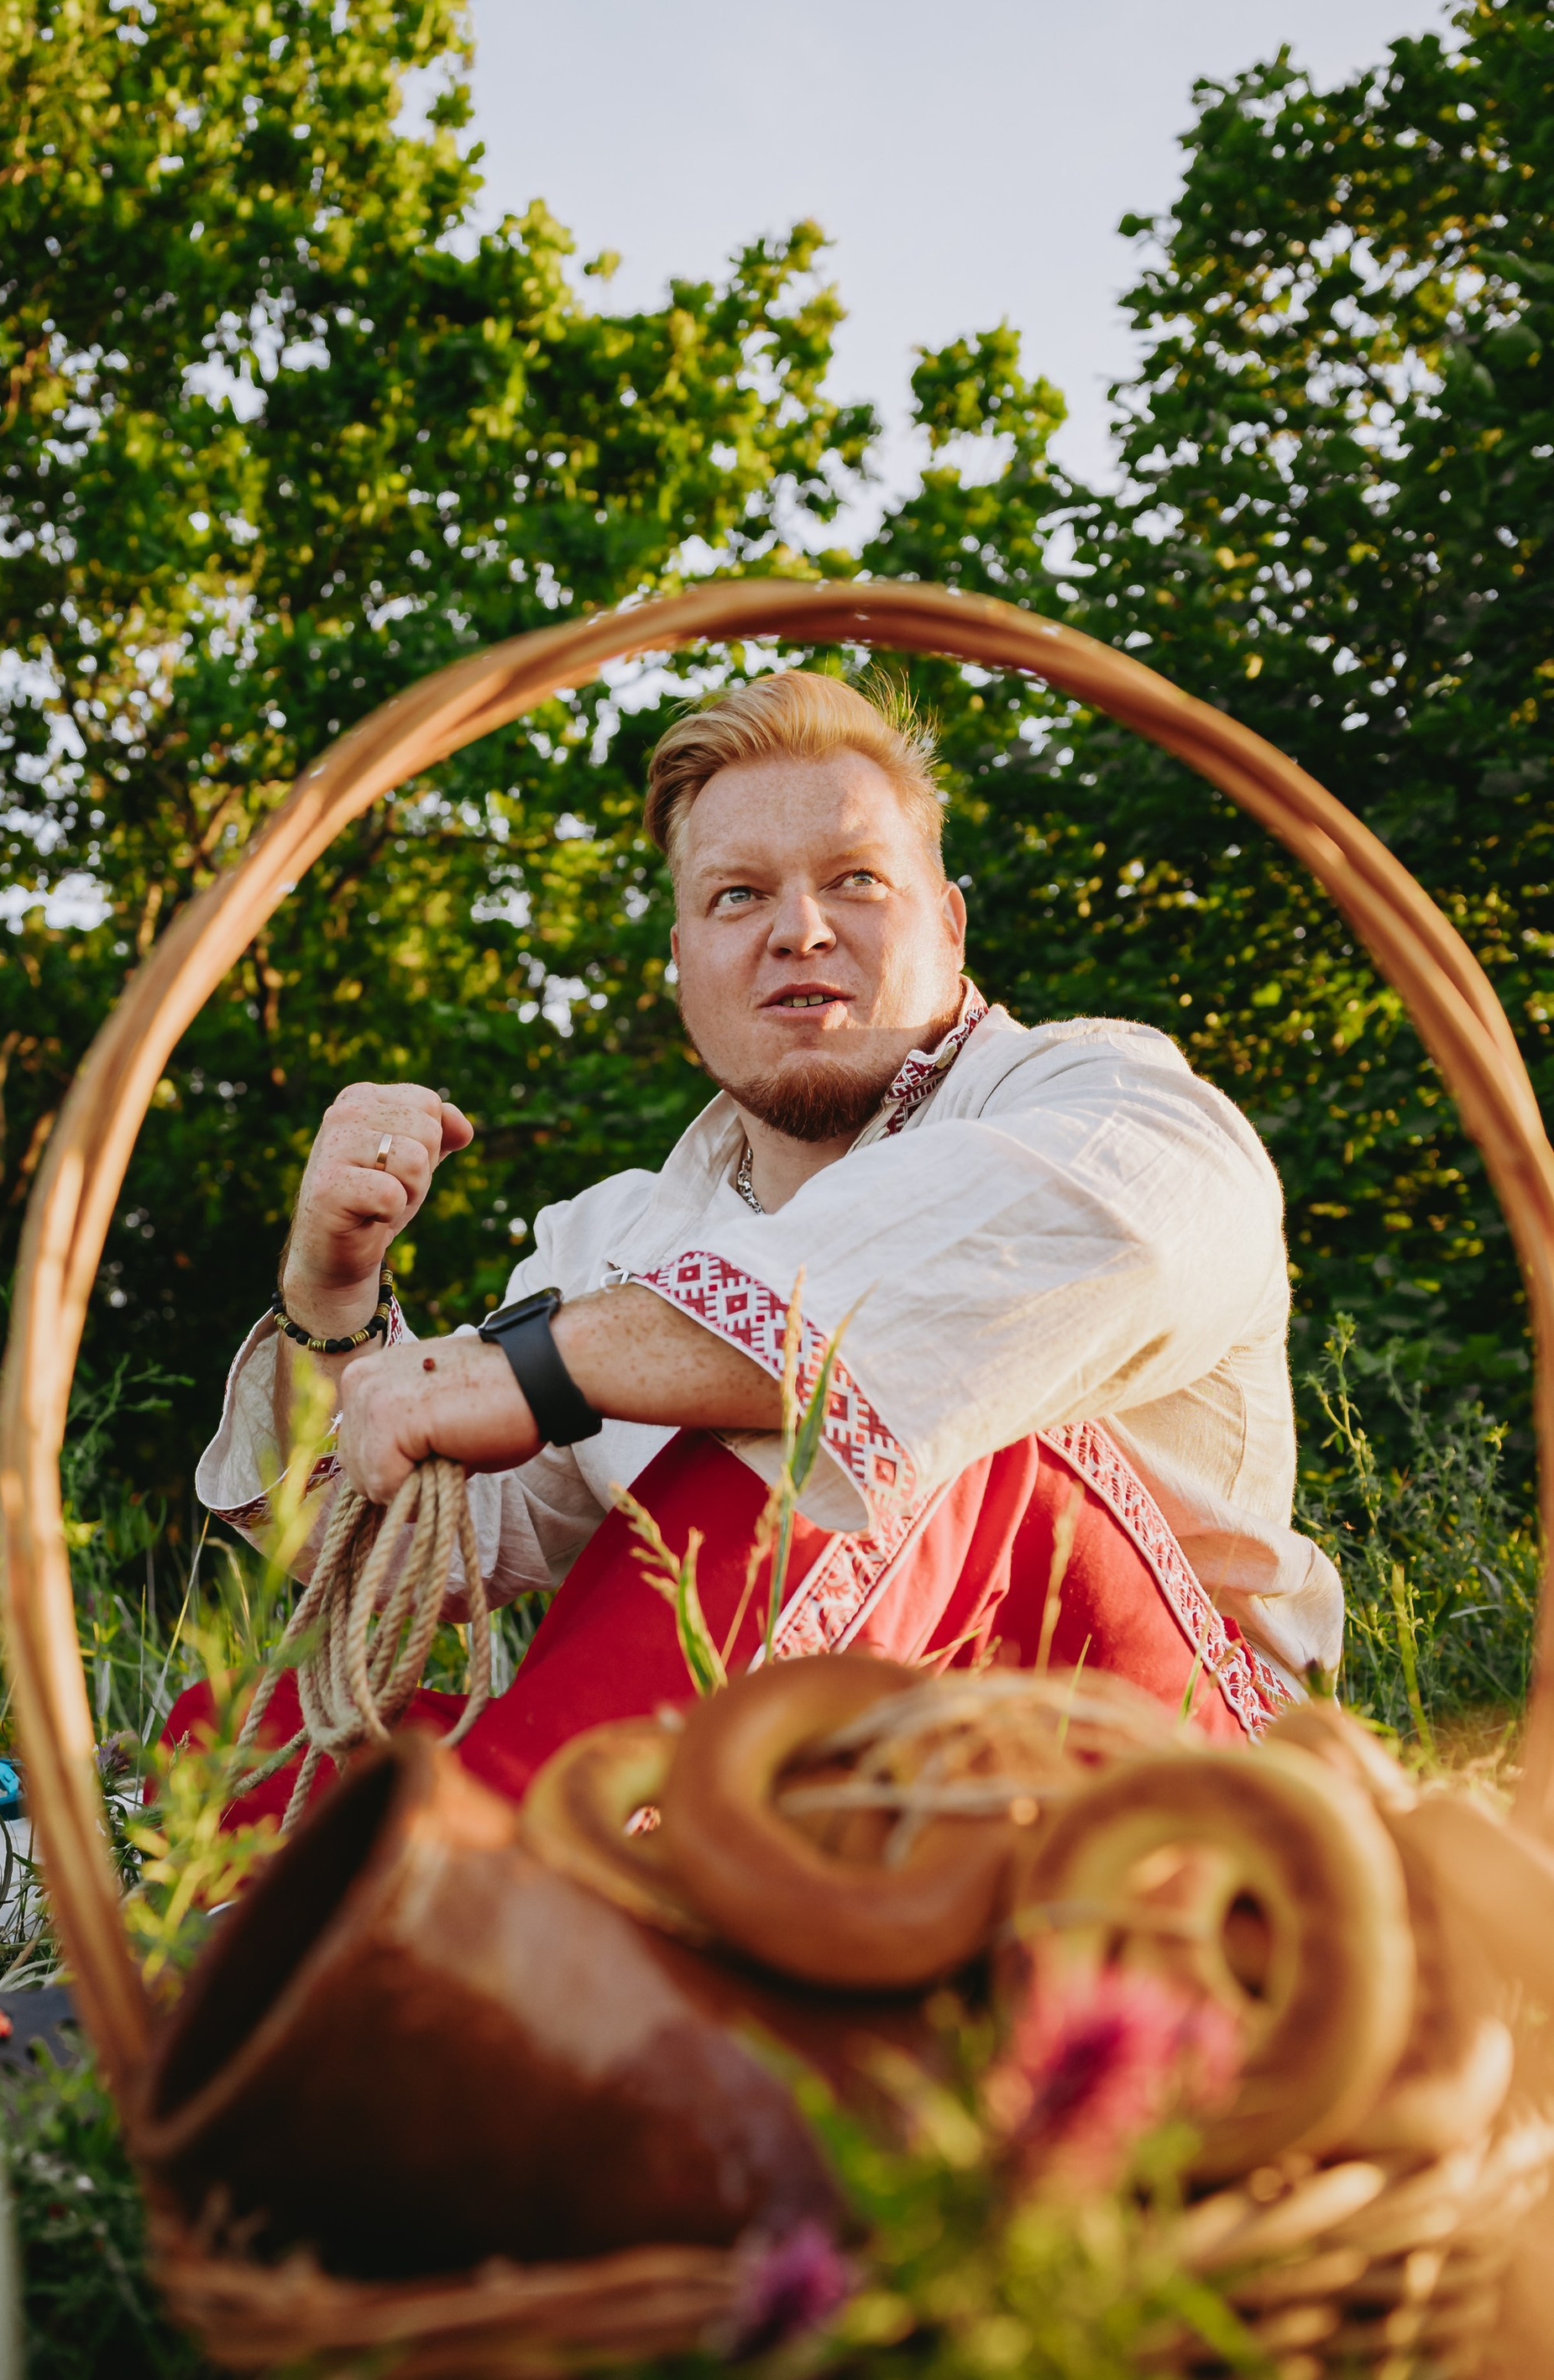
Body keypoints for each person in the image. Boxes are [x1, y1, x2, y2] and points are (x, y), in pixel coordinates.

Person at [182, 667, 1342, 1809]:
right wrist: (330, 1295)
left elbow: (1114, 1233)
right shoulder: (610, 1243)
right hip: (797, 1798)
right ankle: (486, 1892)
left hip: (1166, 1778)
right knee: (246, 1740)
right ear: (681, 963)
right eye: (738, 895)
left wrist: (539, 1366)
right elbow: (412, 1561)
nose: (799, 929)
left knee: (862, 1405)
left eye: (856, 880)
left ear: (947, 924)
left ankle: (489, 1894)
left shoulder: (1098, 1094)